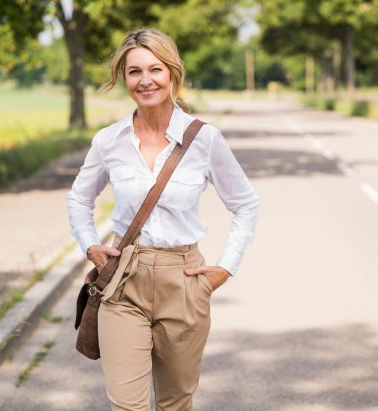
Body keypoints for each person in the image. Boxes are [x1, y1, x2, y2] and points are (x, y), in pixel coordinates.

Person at [66, 27, 259, 411]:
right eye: (135, 71)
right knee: (127, 405)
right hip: (124, 281)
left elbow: (246, 204)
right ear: (123, 77)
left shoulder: (204, 139)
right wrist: (90, 243)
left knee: (175, 402)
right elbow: (79, 198)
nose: (145, 80)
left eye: (155, 69)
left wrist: (226, 267)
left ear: (172, 73)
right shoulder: (110, 140)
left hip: (184, 282)